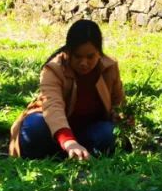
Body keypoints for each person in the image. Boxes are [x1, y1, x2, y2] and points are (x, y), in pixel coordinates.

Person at [9, 19, 125, 160]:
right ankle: (62, 151)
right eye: (78, 56)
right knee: (34, 127)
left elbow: (118, 104)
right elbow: (53, 107)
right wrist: (68, 140)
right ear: (68, 52)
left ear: (99, 53)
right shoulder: (53, 69)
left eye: (90, 57)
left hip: (89, 129)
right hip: (53, 128)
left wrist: (121, 117)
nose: (84, 63)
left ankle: (74, 154)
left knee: (109, 133)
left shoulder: (109, 68)